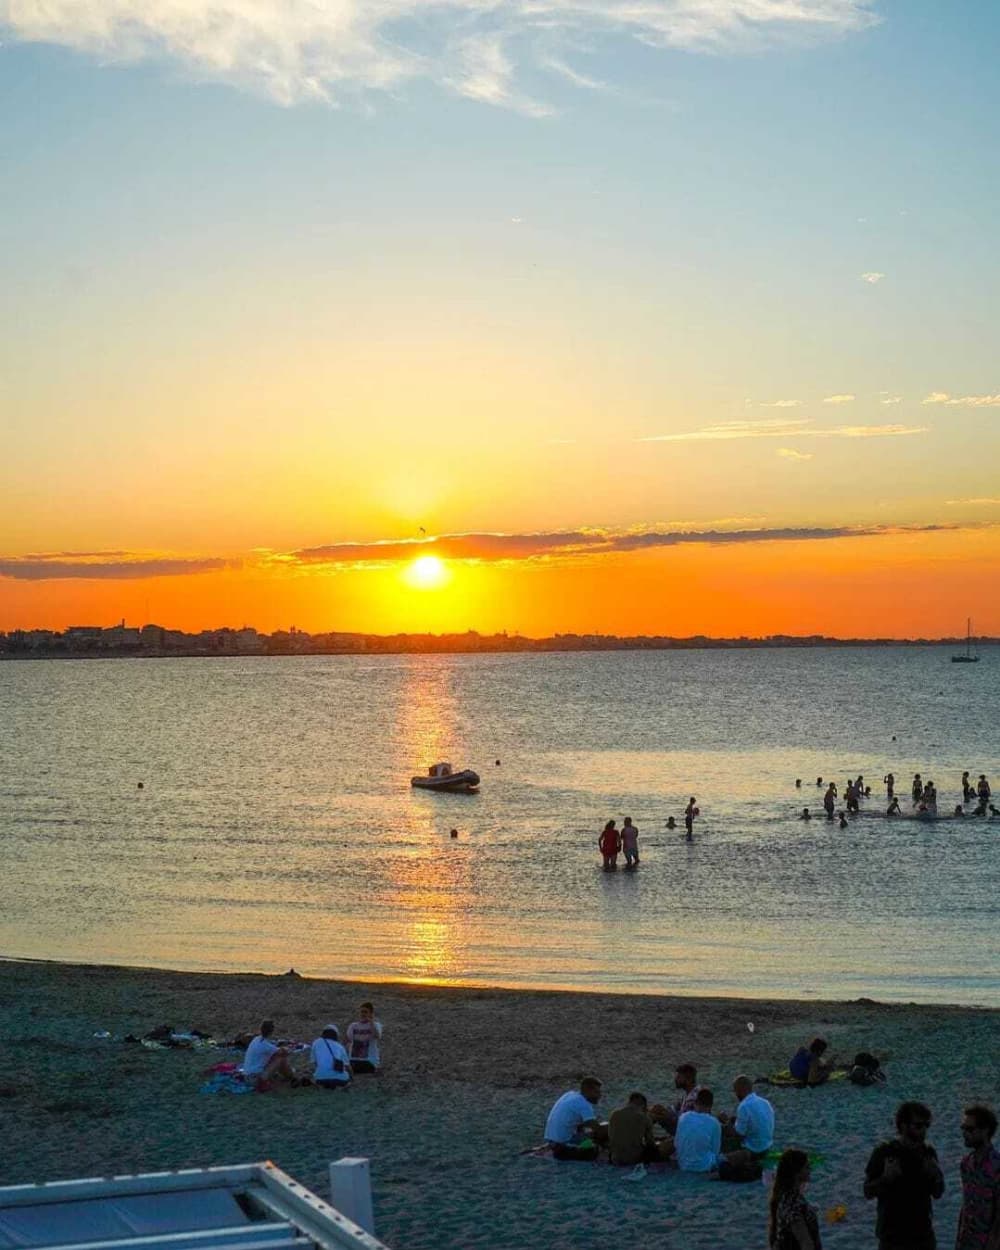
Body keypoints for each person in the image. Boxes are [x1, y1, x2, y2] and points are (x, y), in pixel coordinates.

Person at [863, 1100, 944, 1250]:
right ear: (903, 1126)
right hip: (893, 1237)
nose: (923, 1131)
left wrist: (934, 1175)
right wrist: (886, 1179)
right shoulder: (885, 1153)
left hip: (923, 1236)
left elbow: (938, 1192)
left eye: (926, 1126)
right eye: (918, 1126)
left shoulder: (928, 1153)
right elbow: (867, 1191)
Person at [956, 1104, 1000, 1250]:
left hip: (987, 1243)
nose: (964, 1133)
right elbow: (966, 1205)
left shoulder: (997, 1167)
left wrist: (993, 1242)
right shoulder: (966, 1164)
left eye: (969, 1129)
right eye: (963, 1128)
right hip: (966, 1241)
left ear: (985, 1130)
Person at [769, 1148, 823, 1250]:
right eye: (806, 1167)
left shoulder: (787, 1196)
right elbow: (805, 1243)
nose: (810, 1169)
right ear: (797, 1173)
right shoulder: (793, 1204)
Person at [544, 1077, 604, 1159]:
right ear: (587, 1091)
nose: (600, 1095)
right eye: (596, 1092)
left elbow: (580, 1123)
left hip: (551, 1139)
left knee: (587, 1130)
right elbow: (597, 1128)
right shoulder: (584, 1104)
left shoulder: (569, 1094)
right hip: (563, 1143)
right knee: (597, 1138)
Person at [723, 1075, 775, 1164]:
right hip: (767, 1146)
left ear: (740, 1090)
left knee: (723, 1133)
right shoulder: (765, 1102)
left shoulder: (744, 1106)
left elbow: (739, 1135)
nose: (736, 1094)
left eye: (736, 1091)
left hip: (754, 1150)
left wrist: (726, 1122)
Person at [675, 1088, 723, 1173]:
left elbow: (676, 1143)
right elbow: (716, 1151)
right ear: (711, 1105)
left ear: (695, 1103)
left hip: (682, 1165)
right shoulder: (714, 1122)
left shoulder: (683, 1117)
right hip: (704, 1167)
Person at [608, 1091, 661, 1165]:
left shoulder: (614, 1114)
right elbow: (650, 1143)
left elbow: (611, 1137)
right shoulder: (644, 1117)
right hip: (634, 1159)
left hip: (615, 1158)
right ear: (643, 1105)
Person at [243, 1019, 299, 1088]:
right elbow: (284, 1052)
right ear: (272, 1031)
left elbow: (272, 1047)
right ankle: (291, 1076)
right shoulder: (266, 1045)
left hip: (246, 1076)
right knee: (281, 1059)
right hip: (254, 1079)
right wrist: (290, 1048)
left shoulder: (256, 1039)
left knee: (275, 1056)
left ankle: (287, 1073)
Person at [651, 1062, 704, 1132]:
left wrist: (663, 1115)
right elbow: (674, 1109)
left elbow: (685, 1121)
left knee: (657, 1117)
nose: (675, 1079)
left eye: (679, 1077)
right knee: (656, 1111)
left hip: (689, 1130)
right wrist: (661, 1110)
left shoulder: (694, 1096)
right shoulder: (687, 1094)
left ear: (689, 1079)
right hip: (683, 1125)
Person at [310, 1025, 352, 1089]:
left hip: (320, 1079)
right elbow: (347, 1066)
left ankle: (321, 1086)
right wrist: (351, 1077)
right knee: (348, 1081)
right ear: (336, 1035)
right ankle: (340, 1087)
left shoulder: (316, 1043)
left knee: (313, 1078)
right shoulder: (340, 1046)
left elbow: (314, 1063)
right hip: (340, 1080)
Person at [346, 1001, 383, 1073]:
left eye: (365, 1012)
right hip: (354, 1060)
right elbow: (347, 1041)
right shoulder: (353, 1025)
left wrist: (371, 1022)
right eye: (361, 1012)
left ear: (371, 1014)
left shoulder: (376, 1025)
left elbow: (377, 1036)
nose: (363, 1014)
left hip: (369, 1061)